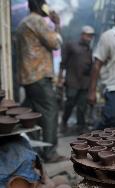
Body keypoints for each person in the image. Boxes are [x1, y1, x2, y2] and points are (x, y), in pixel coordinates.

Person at [16, 0, 65, 162]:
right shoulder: (37, 20)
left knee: (30, 114)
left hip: (28, 76)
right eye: (45, 3)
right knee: (50, 112)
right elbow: (55, 43)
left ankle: (34, 151)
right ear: (39, 5)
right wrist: (56, 24)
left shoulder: (23, 23)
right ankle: (50, 153)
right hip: (39, 75)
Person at [58, 26, 95, 134]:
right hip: (72, 80)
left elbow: (91, 66)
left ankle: (80, 126)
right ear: (82, 35)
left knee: (82, 105)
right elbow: (63, 63)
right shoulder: (71, 46)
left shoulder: (89, 50)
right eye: (88, 35)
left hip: (84, 82)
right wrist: (60, 78)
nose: (89, 38)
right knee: (70, 102)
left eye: (91, 36)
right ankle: (64, 122)